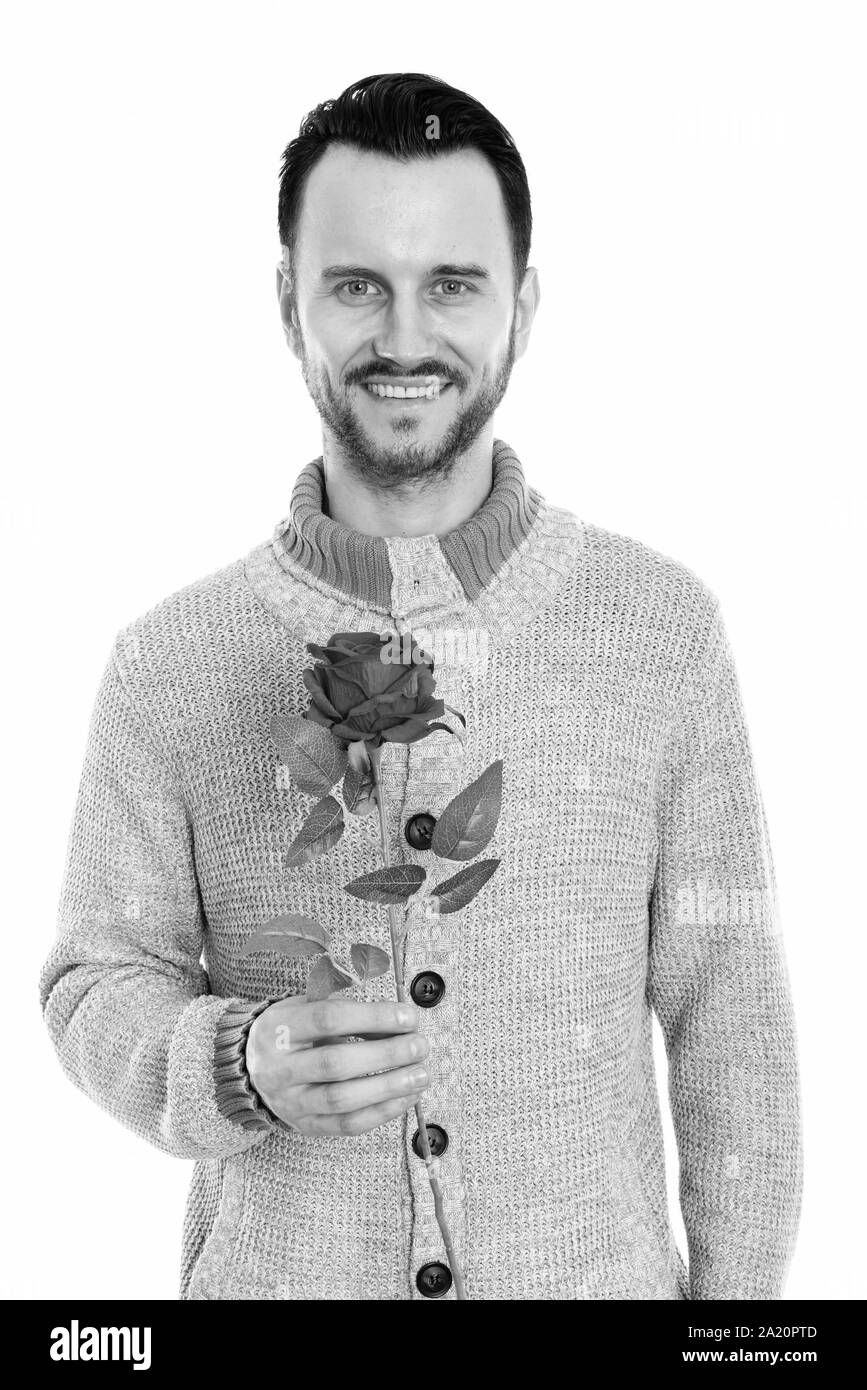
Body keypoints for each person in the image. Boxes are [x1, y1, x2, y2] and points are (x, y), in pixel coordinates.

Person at [39, 71, 803, 1301]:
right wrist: (237, 1060)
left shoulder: (660, 633)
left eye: (451, 283)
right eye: (357, 286)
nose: (403, 337)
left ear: (524, 305)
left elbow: (733, 1022)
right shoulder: (170, 662)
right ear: (291, 307)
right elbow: (97, 978)